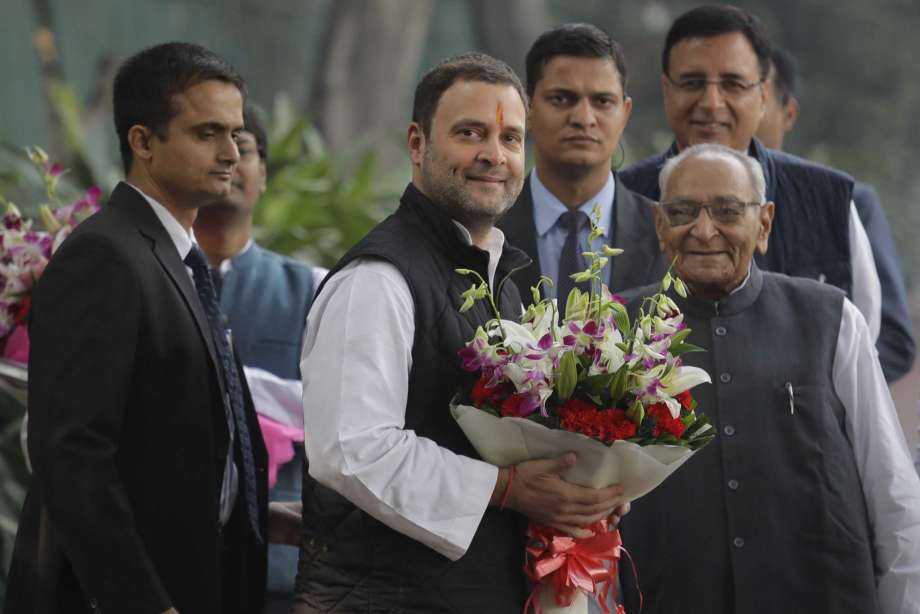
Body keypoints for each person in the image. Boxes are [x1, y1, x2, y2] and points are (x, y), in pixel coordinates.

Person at [294, 52, 629, 613]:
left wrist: (581, 490)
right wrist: (505, 489)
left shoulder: (504, 280)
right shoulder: (376, 280)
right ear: (417, 143)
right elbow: (351, 450)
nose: (493, 156)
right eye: (470, 132)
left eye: (510, 138)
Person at [5, 43, 269, 613]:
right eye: (207, 134)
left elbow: (169, 441)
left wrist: (253, 508)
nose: (232, 154)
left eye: (236, 133)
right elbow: (74, 456)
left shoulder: (176, 258)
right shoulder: (104, 256)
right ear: (143, 141)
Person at [618, 143, 920, 614]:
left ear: (764, 224)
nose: (703, 229)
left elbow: (892, 489)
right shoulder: (619, 330)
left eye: (727, 210)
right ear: (660, 226)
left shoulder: (830, 318)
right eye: (682, 212)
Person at [619, 5, 882, 338]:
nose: (712, 103)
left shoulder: (826, 197)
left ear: (763, 95)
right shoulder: (624, 198)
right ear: (667, 91)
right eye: (692, 82)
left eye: (733, 84)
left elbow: (863, 332)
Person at [193, 103, 324, 613]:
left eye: (243, 148)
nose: (228, 159)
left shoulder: (315, 291)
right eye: (209, 140)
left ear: (263, 173)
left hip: (279, 572)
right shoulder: (148, 281)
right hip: (169, 571)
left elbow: (341, 416)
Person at [755, 47, 916, 382]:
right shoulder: (664, 199)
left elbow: (892, 340)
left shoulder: (846, 202)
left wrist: (816, 397)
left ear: (788, 114)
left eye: (751, 93)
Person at [499, 23, 665, 301]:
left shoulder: (669, 233)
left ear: (624, 114)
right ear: (527, 109)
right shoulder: (485, 229)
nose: (583, 118)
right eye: (562, 98)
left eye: (602, 101)